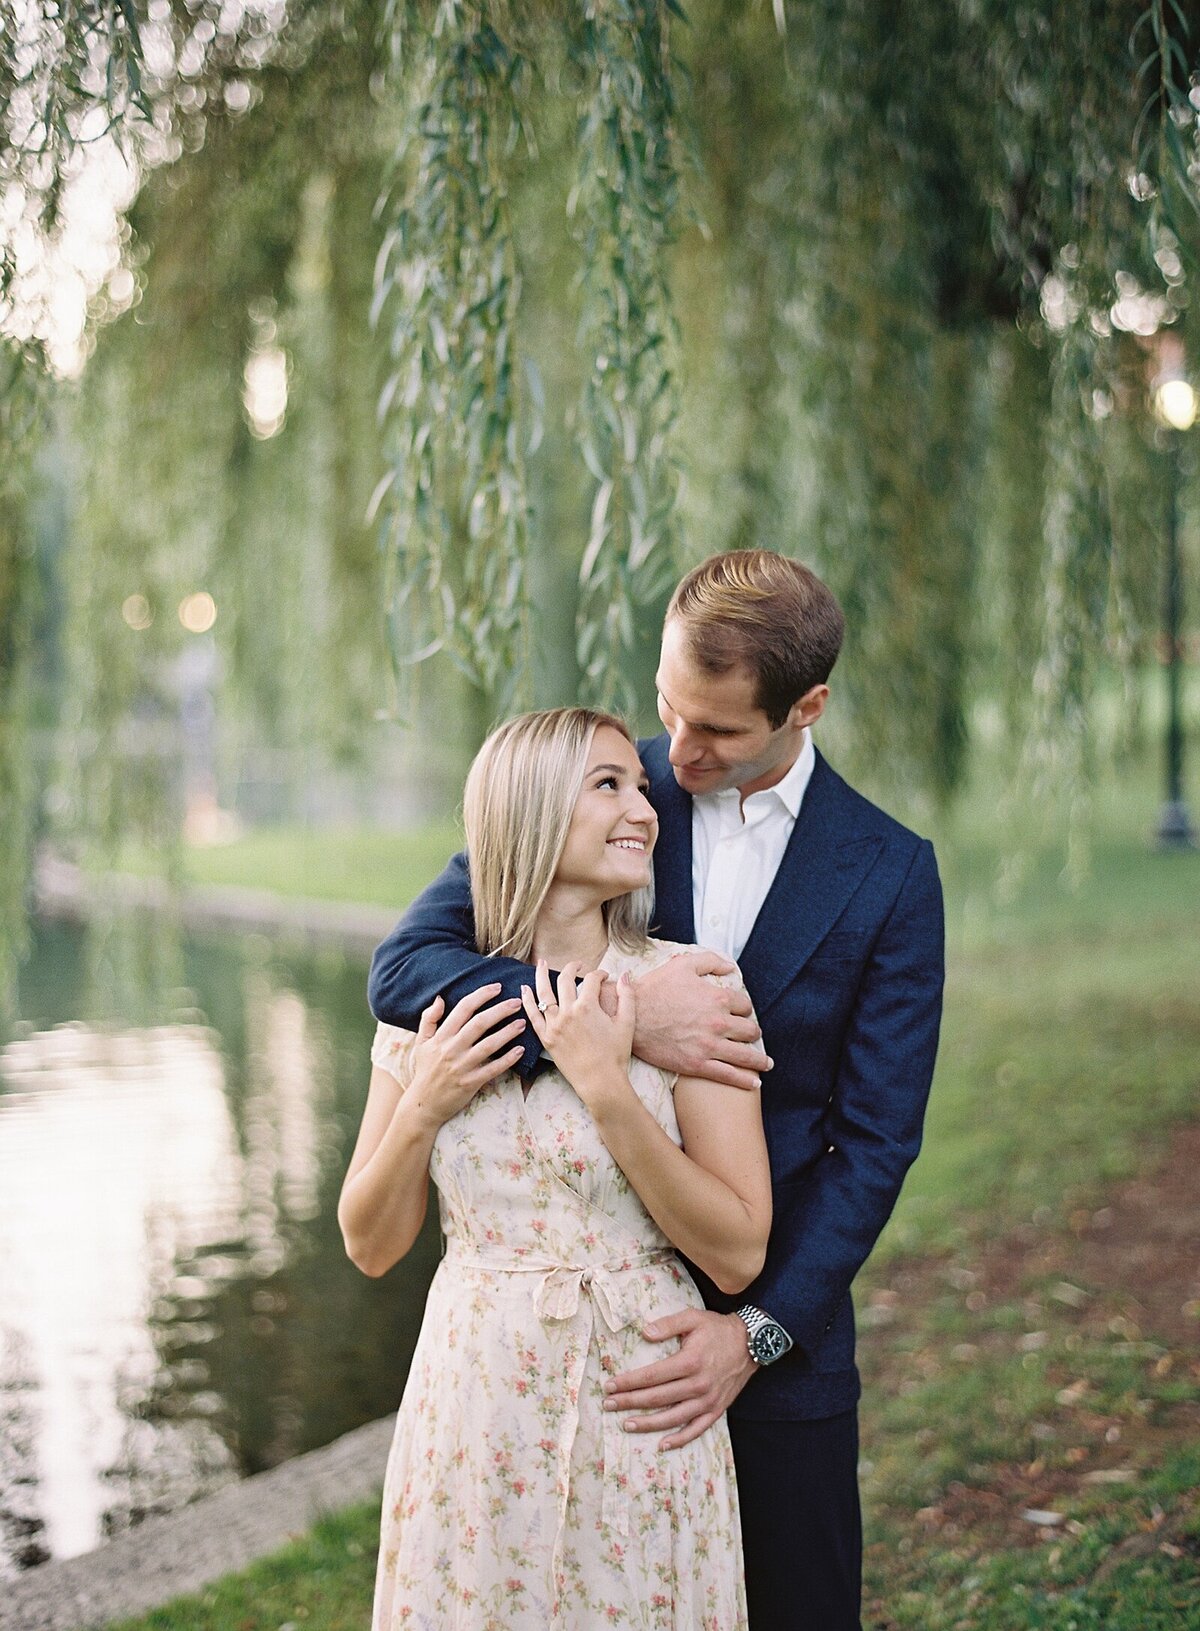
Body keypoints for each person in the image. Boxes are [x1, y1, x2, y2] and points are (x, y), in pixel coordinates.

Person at [370, 550, 945, 1630]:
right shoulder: (604, 793)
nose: (677, 754)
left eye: (718, 732)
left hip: (770, 1334)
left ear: (804, 707)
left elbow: (875, 1143)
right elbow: (406, 966)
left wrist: (758, 1332)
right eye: (669, 710)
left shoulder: (889, 873)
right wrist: (614, 1014)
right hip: (557, 1346)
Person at [341, 707, 772, 1629]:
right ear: (530, 811)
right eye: (607, 785)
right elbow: (369, 1242)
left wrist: (610, 1091)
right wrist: (424, 1103)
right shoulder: (435, 1002)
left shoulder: (692, 989)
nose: (644, 810)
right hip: (476, 1405)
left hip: (641, 1403)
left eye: (641, 788)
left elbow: (738, 1252)